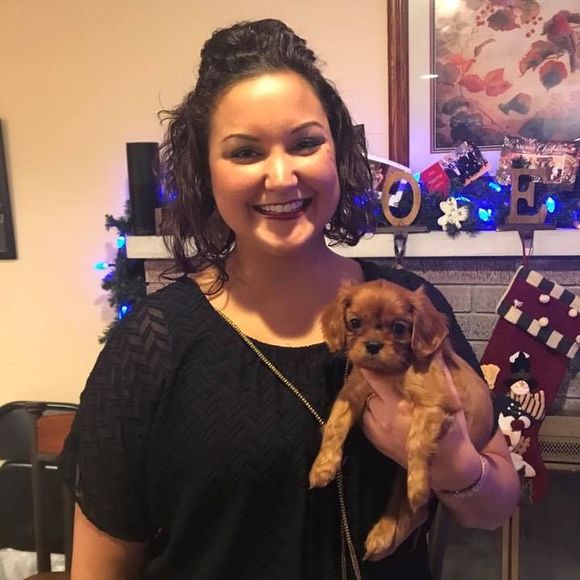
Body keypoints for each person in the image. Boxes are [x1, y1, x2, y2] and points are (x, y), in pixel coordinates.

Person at [58, 18, 520, 580]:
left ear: (338, 152)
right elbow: (101, 565)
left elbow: (496, 507)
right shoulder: (149, 347)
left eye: (305, 143)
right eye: (244, 152)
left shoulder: (414, 310)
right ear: (205, 171)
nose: (281, 177)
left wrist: (453, 465)